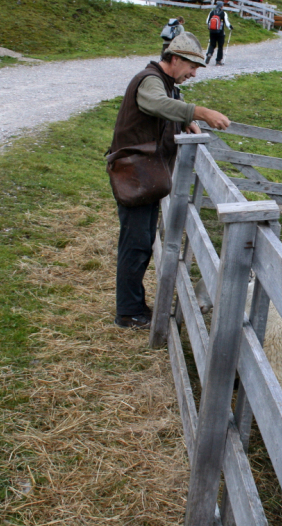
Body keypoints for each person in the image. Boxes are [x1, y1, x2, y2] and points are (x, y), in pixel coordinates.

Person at [108, 32, 230, 330]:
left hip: (145, 178)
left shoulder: (167, 85)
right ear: (174, 59)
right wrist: (198, 112)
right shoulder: (149, 81)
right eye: (191, 66)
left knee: (141, 242)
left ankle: (134, 306)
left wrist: (185, 120)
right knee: (135, 244)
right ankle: (128, 312)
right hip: (136, 177)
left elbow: (166, 107)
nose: (194, 72)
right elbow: (154, 104)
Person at [205, 0, 233, 66]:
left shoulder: (212, 12)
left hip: (212, 31)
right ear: (221, 6)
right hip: (220, 32)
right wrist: (230, 27)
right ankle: (218, 61)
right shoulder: (223, 13)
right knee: (220, 46)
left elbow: (207, 22)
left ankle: (209, 53)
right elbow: (227, 23)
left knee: (212, 44)